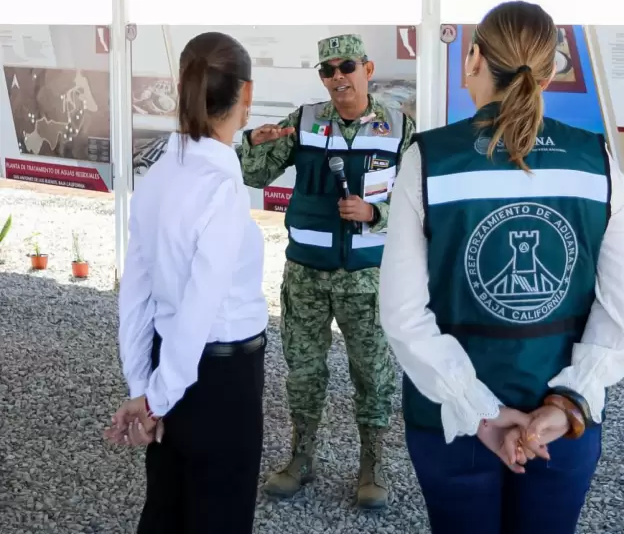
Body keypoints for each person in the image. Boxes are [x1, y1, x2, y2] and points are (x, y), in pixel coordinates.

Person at [379, 1, 624, 534]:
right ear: (551, 73)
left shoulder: (429, 158)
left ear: (472, 59)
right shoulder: (596, 159)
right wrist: (566, 404)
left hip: (451, 424)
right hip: (561, 426)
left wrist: (480, 410)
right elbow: (623, 316)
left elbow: (404, 315)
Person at [238, 33, 414, 508]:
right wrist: (250, 141)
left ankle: (371, 464)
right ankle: (301, 459)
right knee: (304, 371)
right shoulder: (306, 121)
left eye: (346, 66)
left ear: (367, 68)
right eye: (327, 70)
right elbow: (253, 174)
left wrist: (377, 214)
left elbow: (422, 203)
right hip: (307, 276)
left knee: (373, 375)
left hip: (367, 279)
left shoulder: (400, 127)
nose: (338, 77)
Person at [105, 31, 268, 534]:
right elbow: (201, 303)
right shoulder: (221, 185)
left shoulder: (158, 175)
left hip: (168, 368)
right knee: (218, 514)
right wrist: (154, 397)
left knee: (167, 509)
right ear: (246, 93)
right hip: (218, 378)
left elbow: (136, 290)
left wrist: (146, 385)